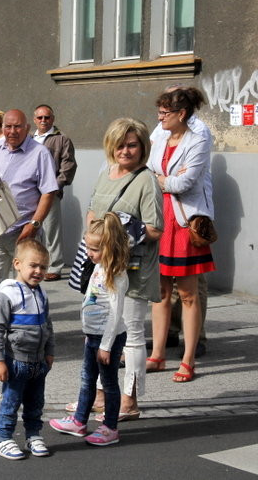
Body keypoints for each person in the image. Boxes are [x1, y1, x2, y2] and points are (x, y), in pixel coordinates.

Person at [82, 117, 163, 420]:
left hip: (133, 269)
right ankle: (102, 395)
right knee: (102, 331)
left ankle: (130, 401)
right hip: (104, 270)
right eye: (120, 145)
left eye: (131, 145)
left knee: (131, 335)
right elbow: (93, 212)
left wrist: (118, 236)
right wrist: (93, 239)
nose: (125, 151)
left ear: (142, 147)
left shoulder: (146, 180)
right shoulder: (106, 174)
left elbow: (155, 229)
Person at [147, 86, 215, 383]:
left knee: (188, 293)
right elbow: (147, 172)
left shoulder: (198, 140)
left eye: (165, 112)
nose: (160, 117)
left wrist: (163, 179)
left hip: (184, 222)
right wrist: (166, 179)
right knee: (160, 292)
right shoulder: (160, 138)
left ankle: (188, 359)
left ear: (182, 113)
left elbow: (185, 183)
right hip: (160, 219)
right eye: (159, 112)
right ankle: (157, 355)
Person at [50, 212, 129, 447]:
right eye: (87, 247)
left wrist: (105, 346)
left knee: (109, 383)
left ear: (109, 248)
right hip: (94, 336)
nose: (89, 253)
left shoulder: (117, 275)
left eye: (94, 249)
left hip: (108, 339)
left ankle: (110, 427)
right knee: (87, 380)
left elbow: (115, 315)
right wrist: (88, 333)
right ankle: (79, 421)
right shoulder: (98, 267)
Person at [0, 109, 58, 342]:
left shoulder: (40, 153)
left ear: (27, 128)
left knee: (25, 282)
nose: (12, 131)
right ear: (2, 127)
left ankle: (25, 329)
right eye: (8, 126)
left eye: (17, 127)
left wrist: (34, 224)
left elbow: (48, 192)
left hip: (25, 232)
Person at [0, 238, 55, 460]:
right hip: (15, 362)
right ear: (17, 264)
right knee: (11, 402)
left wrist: (49, 352)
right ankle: (3, 439)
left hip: (39, 363)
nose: (38, 271)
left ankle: (33, 435)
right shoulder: (7, 295)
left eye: (43, 267)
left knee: (36, 403)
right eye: (33, 265)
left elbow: (48, 325)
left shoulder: (42, 294)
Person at [32, 104, 77, 281]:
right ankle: (35, 264)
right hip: (30, 192)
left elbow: (68, 165)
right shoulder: (29, 139)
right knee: (32, 230)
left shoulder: (62, 139)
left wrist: (55, 187)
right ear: (35, 119)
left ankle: (55, 267)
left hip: (49, 192)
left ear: (53, 119)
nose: (43, 120)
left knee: (51, 231)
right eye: (40, 117)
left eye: (47, 117)